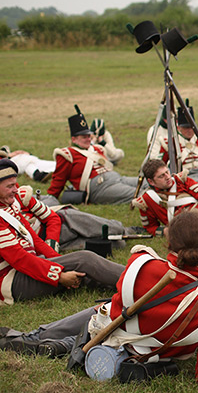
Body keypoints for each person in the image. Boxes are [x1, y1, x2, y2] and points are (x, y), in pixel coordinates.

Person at [0, 211, 198, 382]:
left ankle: (41, 337)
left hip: (115, 333)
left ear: (169, 242)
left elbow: (115, 311)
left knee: (103, 311)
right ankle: (48, 340)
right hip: (152, 356)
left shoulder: (140, 263)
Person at [0, 158, 124, 305]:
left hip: (30, 266)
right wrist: (59, 275)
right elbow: (21, 259)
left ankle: (130, 286)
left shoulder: (9, 205)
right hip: (12, 280)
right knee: (85, 259)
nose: (16, 189)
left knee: (82, 270)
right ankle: (139, 278)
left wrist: (60, 262)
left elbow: (35, 240)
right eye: (10, 186)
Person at [15, 184, 142, 252]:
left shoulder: (12, 192)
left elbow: (26, 201)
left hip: (61, 221)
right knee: (117, 245)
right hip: (46, 242)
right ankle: (126, 233)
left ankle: (127, 230)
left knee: (114, 229)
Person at [48, 111, 138, 204]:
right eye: (84, 137)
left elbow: (114, 155)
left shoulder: (97, 149)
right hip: (99, 187)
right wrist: (51, 197)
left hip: (116, 178)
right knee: (139, 194)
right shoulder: (67, 154)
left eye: (89, 136)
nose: (88, 139)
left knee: (147, 182)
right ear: (73, 139)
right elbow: (59, 179)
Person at [132, 159, 198, 237]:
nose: (168, 177)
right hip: (187, 229)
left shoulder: (181, 180)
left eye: (167, 172)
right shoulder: (147, 200)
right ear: (151, 182)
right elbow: (150, 227)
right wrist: (165, 231)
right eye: (161, 176)